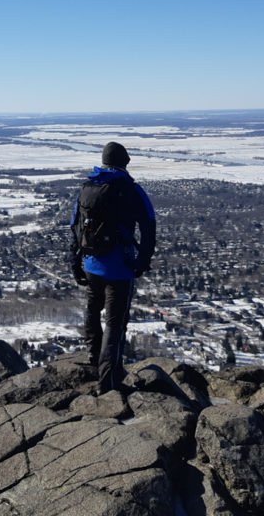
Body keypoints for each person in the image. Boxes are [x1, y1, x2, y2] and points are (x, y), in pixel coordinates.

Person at [67, 141, 156, 394]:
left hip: (91, 265)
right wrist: (142, 262)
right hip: (120, 267)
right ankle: (108, 381)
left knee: (92, 310)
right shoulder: (132, 190)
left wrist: (75, 263)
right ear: (125, 162)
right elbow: (149, 227)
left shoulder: (87, 188)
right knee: (115, 323)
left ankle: (94, 358)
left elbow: (75, 228)